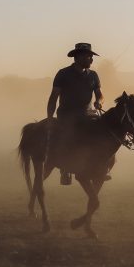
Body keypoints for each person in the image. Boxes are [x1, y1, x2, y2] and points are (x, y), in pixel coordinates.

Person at [46, 42, 104, 184]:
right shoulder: (63, 74)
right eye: (88, 56)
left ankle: (99, 167)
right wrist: (49, 118)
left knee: (103, 136)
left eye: (91, 57)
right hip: (67, 115)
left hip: (89, 114)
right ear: (77, 57)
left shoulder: (93, 75)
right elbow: (53, 97)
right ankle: (65, 169)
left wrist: (99, 102)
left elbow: (100, 95)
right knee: (68, 137)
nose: (91, 59)